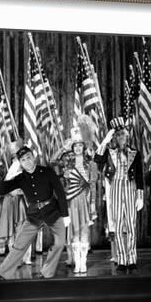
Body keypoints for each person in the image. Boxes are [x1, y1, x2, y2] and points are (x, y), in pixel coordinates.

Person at [0, 146, 70, 280]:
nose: (27, 161)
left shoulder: (47, 171)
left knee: (60, 243)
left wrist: (65, 214)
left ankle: (46, 272)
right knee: (19, 245)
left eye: (29, 158)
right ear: (20, 162)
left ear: (34, 157)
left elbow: (60, 192)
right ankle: (1, 273)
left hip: (53, 212)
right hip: (34, 215)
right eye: (23, 160)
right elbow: (1, 190)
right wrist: (11, 172)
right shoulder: (20, 178)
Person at [94, 117, 144, 271]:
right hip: (115, 186)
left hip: (130, 186)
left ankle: (132, 257)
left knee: (130, 224)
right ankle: (122, 258)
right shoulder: (109, 152)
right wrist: (105, 141)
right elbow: (97, 158)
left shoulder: (134, 152)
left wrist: (140, 195)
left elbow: (140, 175)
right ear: (114, 137)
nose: (121, 137)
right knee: (118, 224)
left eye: (123, 134)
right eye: (118, 135)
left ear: (127, 136)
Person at [52, 115, 98, 274]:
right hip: (71, 201)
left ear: (84, 148)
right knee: (74, 231)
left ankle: (82, 262)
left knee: (84, 230)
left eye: (80, 146)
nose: (78, 148)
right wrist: (63, 148)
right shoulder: (67, 164)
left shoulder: (90, 164)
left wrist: (92, 203)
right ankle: (76, 261)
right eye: (75, 146)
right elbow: (52, 161)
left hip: (84, 201)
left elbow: (93, 185)